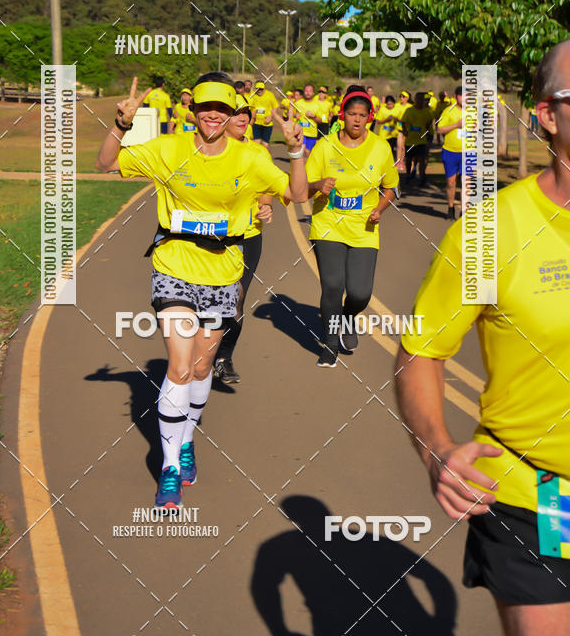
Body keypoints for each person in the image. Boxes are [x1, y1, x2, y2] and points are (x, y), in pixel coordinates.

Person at [394, 39, 570, 636]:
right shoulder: (489, 232)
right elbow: (422, 350)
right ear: (547, 114)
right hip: (539, 497)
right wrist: (437, 448)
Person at [96, 73, 307, 509]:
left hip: (224, 271)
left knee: (200, 364)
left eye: (222, 108)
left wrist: (297, 150)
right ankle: (170, 467)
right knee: (177, 365)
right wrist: (120, 124)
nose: (213, 114)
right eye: (205, 106)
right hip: (173, 265)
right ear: (193, 111)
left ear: (232, 115)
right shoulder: (169, 148)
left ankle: (186, 439)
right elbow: (106, 163)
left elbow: (297, 193)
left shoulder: (249, 158)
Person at [306, 86, 399, 367]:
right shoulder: (325, 146)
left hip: (364, 229)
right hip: (327, 225)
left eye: (362, 115)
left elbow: (391, 187)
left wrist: (379, 209)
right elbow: (302, 188)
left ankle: (348, 316)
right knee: (333, 285)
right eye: (351, 114)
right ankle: (330, 344)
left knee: (360, 293)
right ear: (342, 115)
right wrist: (317, 185)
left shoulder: (381, 147)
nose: (357, 120)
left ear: (369, 117)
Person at [213, 95, 274, 384]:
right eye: (235, 112)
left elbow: (267, 187)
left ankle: (224, 356)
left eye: (246, 113)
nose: (243, 118)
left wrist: (266, 205)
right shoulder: (206, 151)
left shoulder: (260, 153)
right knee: (207, 301)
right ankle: (201, 353)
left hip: (248, 237)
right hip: (209, 237)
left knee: (236, 299)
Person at [436, 85, 463, 220]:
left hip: (468, 152)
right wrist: (456, 125)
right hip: (450, 152)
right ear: (456, 96)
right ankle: (451, 207)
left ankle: (464, 210)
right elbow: (439, 129)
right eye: (461, 95)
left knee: (466, 182)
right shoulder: (448, 111)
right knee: (451, 182)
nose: (464, 98)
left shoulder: (473, 111)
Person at [397, 91, 434, 186]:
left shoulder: (427, 112)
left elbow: (429, 123)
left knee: (422, 159)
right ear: (415, 100)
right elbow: (403, 122)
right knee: (409, 159)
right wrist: (404, 130)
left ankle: (422, 177)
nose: (420, 101)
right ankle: (408, 174)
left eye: (422, 100)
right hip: (410, 139)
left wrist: (428, 132)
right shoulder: (409, 110)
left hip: (421, 140)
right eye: (418, 99)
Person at [249, 80, 279, 148]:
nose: (259, 90)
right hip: (256, 123)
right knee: (256, 144)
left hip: (267, 124)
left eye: (261, 89)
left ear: (264, 88)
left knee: (265, 144)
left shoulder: (270, 95)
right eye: (257, 89)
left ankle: (266, 157)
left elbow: (275, 106)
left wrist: (270, 117)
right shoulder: (253, 95)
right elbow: (250, 107)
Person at [295, 83, 321, 157]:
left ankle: (307, 167)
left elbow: (320, 120)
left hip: (312, 133)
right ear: (304, 92)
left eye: (310, 91)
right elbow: (289, 115)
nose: (308, 93)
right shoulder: (298, 103)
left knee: (307, 152)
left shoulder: (317, 105)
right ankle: (300, 167)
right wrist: (295, 116)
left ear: (313, 93)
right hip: (300, 132)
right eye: (306, 91)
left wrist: (313, 116)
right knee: (301, 151)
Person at [374, 94, 398, 159]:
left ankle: (392, 161)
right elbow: (378, 121)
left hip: (393, 134)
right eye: (388, 104)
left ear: (394, 103)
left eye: (391, 104)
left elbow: (401, 122)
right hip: (384, 134)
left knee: (392, 149)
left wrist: (397, 121)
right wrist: (386, 119)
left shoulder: (397, 109)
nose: (389, 106)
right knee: (383, 148)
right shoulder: (382, 109)